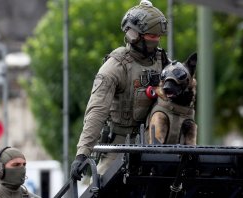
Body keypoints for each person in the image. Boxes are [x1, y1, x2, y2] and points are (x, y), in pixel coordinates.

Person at [70, 0, 170, 181]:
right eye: (151, 36)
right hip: (118, 148)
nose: (156, 41)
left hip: (154, 145)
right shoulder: (115, 67)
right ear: (134, 35)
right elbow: (97, 110)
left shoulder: (163, 61)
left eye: (158, 37)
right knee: (100, 187)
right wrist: (82, 153)